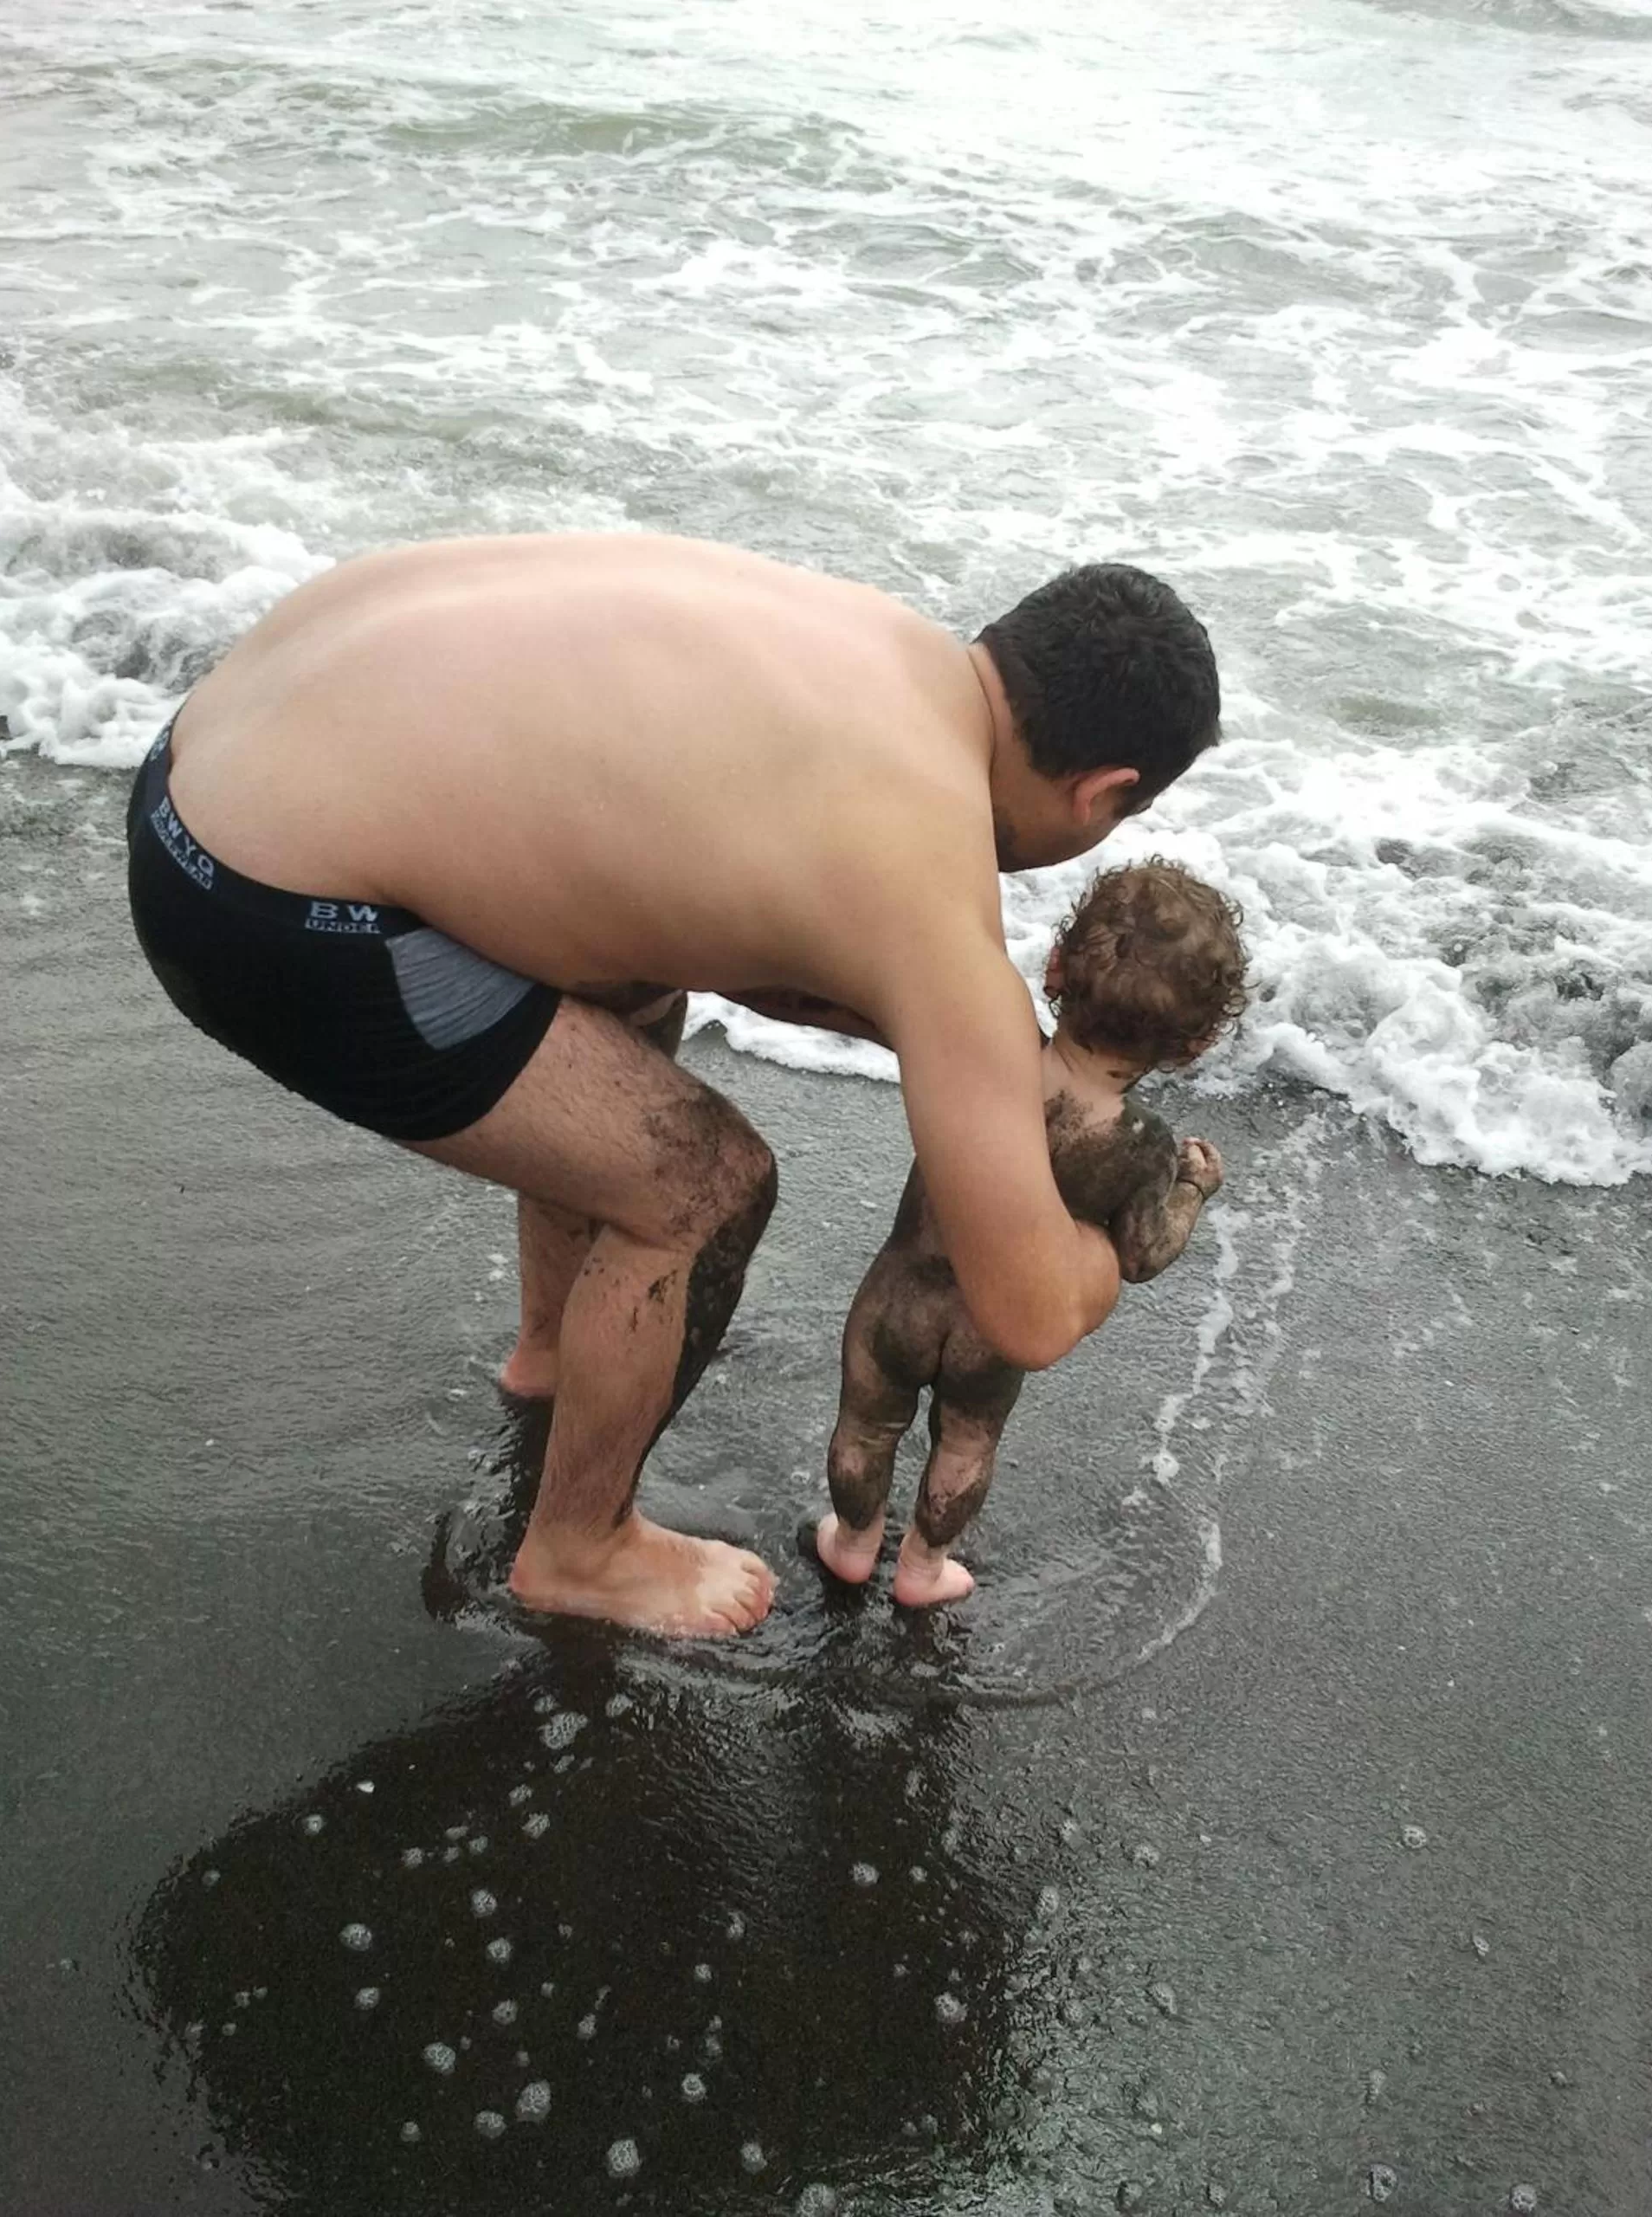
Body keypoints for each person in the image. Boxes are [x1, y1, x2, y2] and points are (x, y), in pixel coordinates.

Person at [124, 533, 1221, 1636]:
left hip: (203, 755)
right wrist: (1124, 1229)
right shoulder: (932, 882)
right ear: (1104, 793)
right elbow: (1026, 1309)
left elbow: (730, 921)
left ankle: (557, 1352)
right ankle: (579, 1549)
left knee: (638, 980)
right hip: (256, 908)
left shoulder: (882, 647)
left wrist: (962, 1050)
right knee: (705, 1183)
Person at [816, 860, 1244, 1606]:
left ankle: (852, 1544)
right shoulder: (1143, 1144)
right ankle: (922, 1568)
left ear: (1054, 965)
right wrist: (1192, 1190)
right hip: (995, 1321)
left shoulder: (992, 1054)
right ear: (1194, 1045)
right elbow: (1141, 1255)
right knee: (966, 1443)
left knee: (866, 1423)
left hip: (900, 1294)